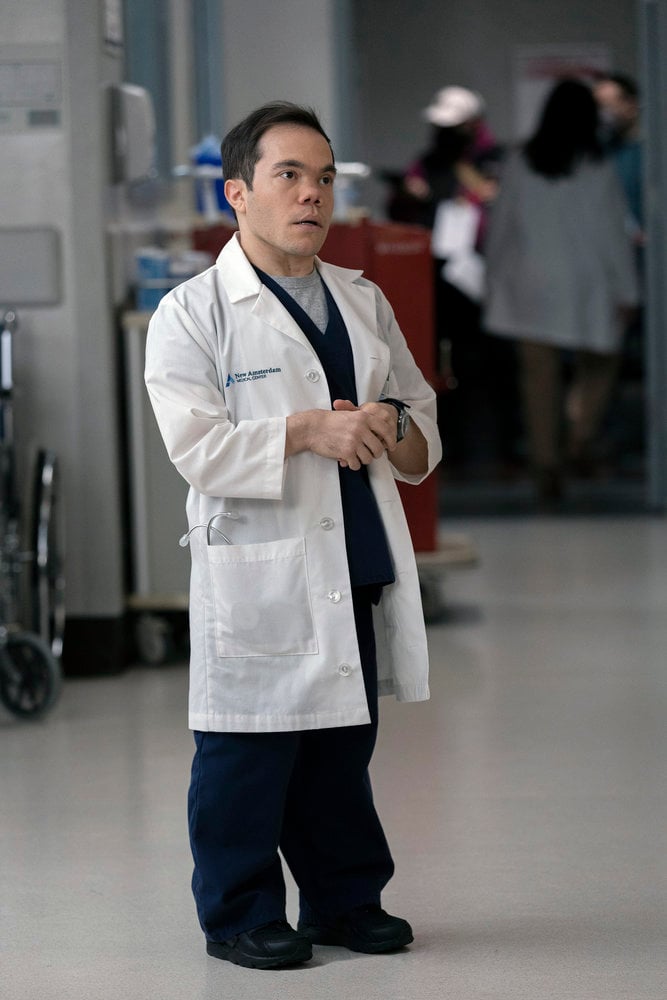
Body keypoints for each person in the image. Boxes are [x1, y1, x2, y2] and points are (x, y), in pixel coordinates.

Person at [144, 101, 441, 970]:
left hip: (353, 551)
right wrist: (310, 430)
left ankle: (344, 901)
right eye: (288, 176)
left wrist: (389, 423)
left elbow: (420, 423)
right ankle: (238, 914)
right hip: (260, 564)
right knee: (247, 751)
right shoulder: (193, 312)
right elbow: (196, 449)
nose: (312, 194)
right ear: (237, 192)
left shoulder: (362, 298)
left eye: (323, 178)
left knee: (340, 745)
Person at [483, 78, 639, 505]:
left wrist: (493, 280)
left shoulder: (520, 161)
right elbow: (614, 234)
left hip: (530, 284)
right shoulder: (597, 166)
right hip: (589, 284)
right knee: (600, 364)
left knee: (539, 380)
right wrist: (628, 291)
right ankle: (578, 436)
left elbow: (502, 228)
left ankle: (545, 463)